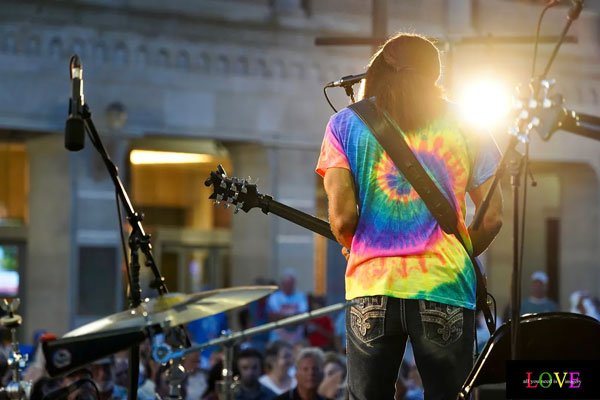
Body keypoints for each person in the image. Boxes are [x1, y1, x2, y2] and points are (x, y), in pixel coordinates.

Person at [316, 32, 503, 399]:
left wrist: (355, 244)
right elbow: (493, 215)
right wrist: (458, 255)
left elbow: (340, 220)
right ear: (433, 76)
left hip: (372, 286)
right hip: (444, 284)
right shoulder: (468, 123)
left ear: (380, 69)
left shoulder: (344, 125)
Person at [267, 269, 309, 344]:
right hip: (277, 339)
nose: (288, 286)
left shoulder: (300, 296)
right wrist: (294, 318)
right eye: (286, 283)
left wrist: (284, 317)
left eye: (291, 283)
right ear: (282, 283)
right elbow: (273, 317)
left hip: (297, 339)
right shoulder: (274, 297)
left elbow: (304, 317)